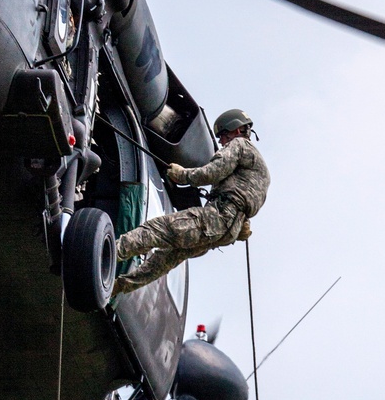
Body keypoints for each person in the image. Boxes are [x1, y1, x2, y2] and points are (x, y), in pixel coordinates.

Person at [114, 108, 269, 296]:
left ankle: (109, 252)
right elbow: (246, 198)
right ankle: (120, 286)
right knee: (166, 257)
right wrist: (242, 221)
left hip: (216, 219)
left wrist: (183, 175)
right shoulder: (261, 170)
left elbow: (214, 171)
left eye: (223, 135)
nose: (221, 141)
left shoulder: (239, 145)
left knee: (157, 229)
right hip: (226, 231)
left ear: (236, 130)